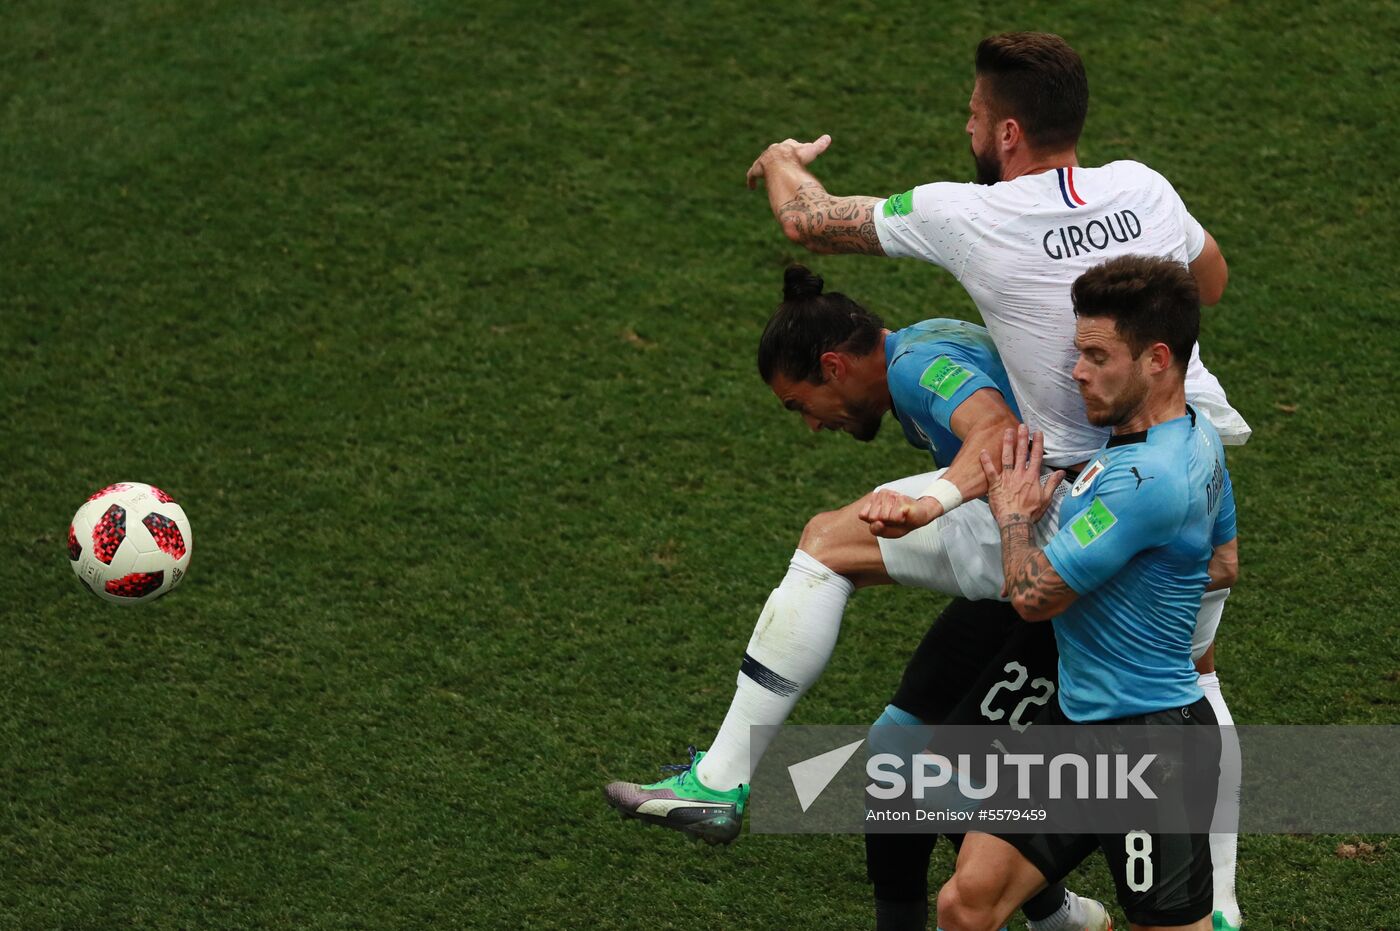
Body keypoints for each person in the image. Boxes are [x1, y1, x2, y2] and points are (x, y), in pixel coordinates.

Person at [745, 33, 1246, 929]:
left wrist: (784, 162)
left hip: (1074, 506)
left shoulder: (967, 213)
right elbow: (1210, 276)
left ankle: (724, 773)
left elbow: (809, 222)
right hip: (1190, 466)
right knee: (1196, 670)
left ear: (1007, 133)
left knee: (832, 542)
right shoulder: (1145, 186)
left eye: (973, 115)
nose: (967, 127)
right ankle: (1206, 901)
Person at [604, 267, 1112, 931]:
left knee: (825, 545)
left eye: (800, 405)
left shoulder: (917, 364)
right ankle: (1059, 921)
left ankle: (721, 780)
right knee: (895, 757)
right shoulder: (926, 344)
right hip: (1029, 547)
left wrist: (930, 501)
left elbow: (997, 436)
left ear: (835, 365)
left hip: (1067, 570)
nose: (812, 426)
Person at [933, 255, 1237, 931]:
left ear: (1157, 359)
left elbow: (1033, 597)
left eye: (1098, 355)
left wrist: (1013, 513)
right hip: (1077, 726)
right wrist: (1139, 580)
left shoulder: (1145, 480)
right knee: (965, 902)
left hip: (1149, 743)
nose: (1077, 370)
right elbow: (1223, 560)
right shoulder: (1198, 439)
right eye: (1079, 352)